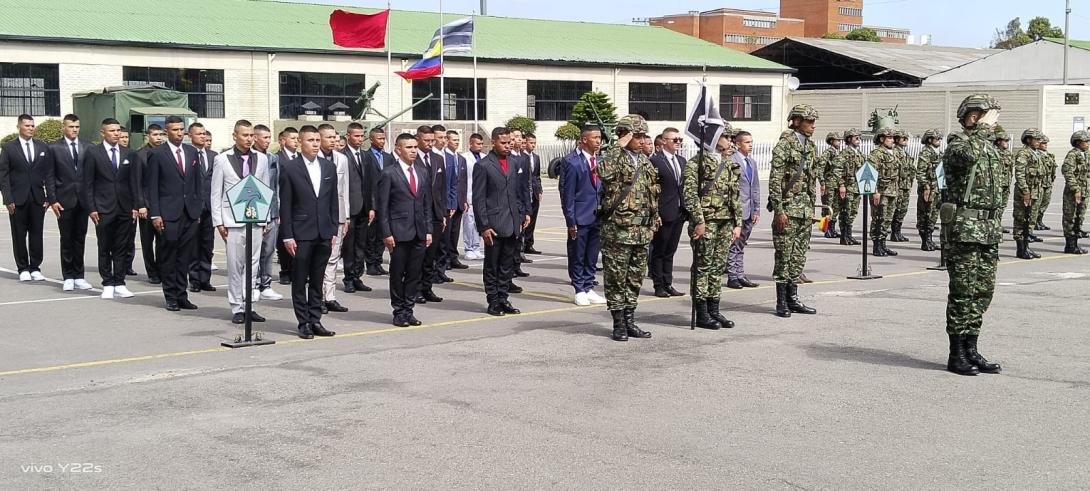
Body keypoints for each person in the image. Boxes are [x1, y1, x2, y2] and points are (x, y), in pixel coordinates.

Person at [942, 94, 1004, 376]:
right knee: (962, 293)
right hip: (965, 230)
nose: (993, 121)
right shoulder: (959, 144)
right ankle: (956, 354)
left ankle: (971, 348)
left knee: (982, 292)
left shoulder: (988, 148)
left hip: (988, 231)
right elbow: (967, 156)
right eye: (987, 115)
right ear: (972, 116)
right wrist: (982, 130)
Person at [598, 115, 659, 341]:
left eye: (644, 136)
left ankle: (630, 320)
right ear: (625, 134)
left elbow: (653, 194)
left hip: (641, 232)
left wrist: (653, 222)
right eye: (638, 136)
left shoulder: (645, 161)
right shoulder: (614, 157)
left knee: (635, 278)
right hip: (618, 231)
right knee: (616, 278)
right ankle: (618, 323)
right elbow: (603, 172)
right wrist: (618, 146)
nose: (642, 140)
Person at [279, 125, 340, 339]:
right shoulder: (290, 168)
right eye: (310, 140)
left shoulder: (328, 167)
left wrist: (333, 229)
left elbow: (333, 201)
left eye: (317, 140)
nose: (315, 144)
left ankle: (315, 319)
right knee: (300, 279)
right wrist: (288, 235)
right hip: (301, 232)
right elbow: (285, 204)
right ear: (300, 143)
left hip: (324, 231)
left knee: (317, 278)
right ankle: (303, 321)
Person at [210, 120, 272, 324]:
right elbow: (216, 192)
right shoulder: (222, 159)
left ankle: (250, 304)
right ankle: (237, 306)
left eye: (251, 135)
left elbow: (264, 188)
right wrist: (218, 221)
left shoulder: (261, 159)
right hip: (232, 220)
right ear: (235, 136)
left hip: (255, 217)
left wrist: (265, 218)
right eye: (244, 135)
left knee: (253, 264)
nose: (249, 139)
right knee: (235, 264)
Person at [684, 133, 743, 330]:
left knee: (717, 267)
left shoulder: (727, 163)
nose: (729, 140)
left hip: (725, 222)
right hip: (706, 222)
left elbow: (735, 194)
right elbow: (690, 195)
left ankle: (714, 309)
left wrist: (737, 223)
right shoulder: (696, 163)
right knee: (703, 266)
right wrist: (699, 221)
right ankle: (701, 312)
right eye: (725, 136)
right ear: (714, 138)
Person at [145, 115, 203, 311]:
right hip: (168, 213)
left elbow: (197, 183)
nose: (179, 133)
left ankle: (182, 294)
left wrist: (198, 209)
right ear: (166, 132)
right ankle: (170, 295)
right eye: (175, 130)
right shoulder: (158, 154)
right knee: (169, 255)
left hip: (189, 213)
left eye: (181, 129)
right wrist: (155, 214)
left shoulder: (191, 152)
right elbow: (151, 186)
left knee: (185, 256)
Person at [472, 127, 530, 316]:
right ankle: (493, 301)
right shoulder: (484, 165)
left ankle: (504, 298)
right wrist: (484, 226)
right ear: (494, 142)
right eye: (503, 143)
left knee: (507, 265)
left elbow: (518, 192)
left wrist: (523, 213)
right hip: (494, 224)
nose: (507, 146)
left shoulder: (514, 162)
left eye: (509, 142)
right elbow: (479, 199)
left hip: (513, 222)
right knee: (492, 265)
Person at [769, 105, 820, 318]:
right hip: (788, 211)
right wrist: (779, 210)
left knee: (798, 257)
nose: (813, 125)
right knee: (784, 257)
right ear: (796, 121)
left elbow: (811, 179)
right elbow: (775, 180)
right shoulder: (784, 145)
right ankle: (782, 302)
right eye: (809, 121)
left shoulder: (810, 146)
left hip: (805, 211)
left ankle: (793, 299)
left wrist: (813, 209)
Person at [82, 118, 142, 299]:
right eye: (112, 131)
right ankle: (107, 282)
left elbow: (135, 182)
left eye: (118, 131)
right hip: (103, 208)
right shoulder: (93, 153)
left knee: (122, 247)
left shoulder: (129, 154)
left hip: (125, 208)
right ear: (103, 133)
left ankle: (120, 281)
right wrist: (91, 208)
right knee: (105, 246)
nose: (116, 134)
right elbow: (87, 183)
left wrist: (135, 206)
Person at [378, 133, 432, 327]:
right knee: (397, 272)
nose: (413, 151)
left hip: (418, 230)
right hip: (398, 231)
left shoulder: (422, 171)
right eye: (409, 147)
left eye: (415, 147)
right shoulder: (389, 173)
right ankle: (398, 310)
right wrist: (386, 233)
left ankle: (409, 309)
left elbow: (426, 203)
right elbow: (382, 207)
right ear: (398, 149)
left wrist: (428, 229)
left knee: (414, 273)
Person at [0, 114, 52, 282]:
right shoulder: (9, 148)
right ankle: (22, 267)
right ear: (19, 127)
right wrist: (8, 199)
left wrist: (48, 197)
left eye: (32, 125)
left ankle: (35, 267)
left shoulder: (42, 147)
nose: (31, 128)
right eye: (27, 125)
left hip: (38, 198)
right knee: (19, 234)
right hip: (18, 199)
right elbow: (4, 175)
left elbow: (49, 174)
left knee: (37, 234)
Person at [560, 125, 606, 306]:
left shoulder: (601, 161)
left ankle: (588, 285)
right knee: (577, 254)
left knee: (592, 254)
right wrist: (571, 221)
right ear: (584, 139)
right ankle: (579, 288)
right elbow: (567, 194)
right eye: (594, 137)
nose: (598, 141)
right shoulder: (571, 161)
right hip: (580, 216)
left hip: (597, 216)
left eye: (599, 137)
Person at [49, 114, 93, 290]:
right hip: (64, 200)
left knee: (80, 238)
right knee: (66, 238)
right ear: (64, 127)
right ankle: (68, 276)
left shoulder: (88, 147)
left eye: (77, 127)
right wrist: (52, 199)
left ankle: (79, 275)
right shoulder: (54, 148)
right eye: (71, 126)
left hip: (83, 200)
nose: (74, 130)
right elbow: (49, 175)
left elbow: (91, 176)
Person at [649, 127, 688, 298]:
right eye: (675, 140)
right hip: (663, 212)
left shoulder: (681, 160)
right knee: (659, 250)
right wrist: (654, 213)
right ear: (664, 141)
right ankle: (658, 285)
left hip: (679, 211)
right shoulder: (655, 161)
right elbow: (652, 189)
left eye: (680, 140)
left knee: (671, 250)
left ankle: (668, 283)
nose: (678, 142)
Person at [317, 124, 351, 313]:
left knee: (333, 257)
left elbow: (344, 189)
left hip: (337, 214)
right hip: (319, 215)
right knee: (320, 258)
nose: (333, 141)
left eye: (335, 138)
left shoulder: (341, 159)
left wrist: (346, 216)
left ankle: (330, 296)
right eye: (329, 137)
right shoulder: (313, 159)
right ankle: (317, 297)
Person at [340, 122, 376, 294]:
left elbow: (371, 183)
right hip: (349, 208)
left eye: (362, 136)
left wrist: (371, 207)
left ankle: (357, 276)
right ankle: (348, 278)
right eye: (356, 136)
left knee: (361, 244)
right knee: (349, 245)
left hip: (364, 208)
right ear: (348, 136)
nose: (360, 139)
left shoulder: (366, 157)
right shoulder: (341, 156)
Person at [252, 124, 284, 301]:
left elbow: (276, 186)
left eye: (268, 137)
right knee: (254, 251)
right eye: (264, 137)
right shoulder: (249, 158)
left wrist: (277, 211)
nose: (267, 141)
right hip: (255, 212)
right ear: (255, 138)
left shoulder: (273, 158)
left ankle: (266, 284)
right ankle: (254, 284)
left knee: (269, 250)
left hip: (272, 211)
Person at [414, 125, 445, 304]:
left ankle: (427, 287)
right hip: (418, 214)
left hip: (435, 213)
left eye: (432, 140)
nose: (430, 144)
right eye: (426, 141)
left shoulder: (437, 159)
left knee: (431, 255)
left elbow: (441, 187)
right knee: (419, 254)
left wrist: (444, 214)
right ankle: (416, 288)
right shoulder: (411, 158)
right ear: (417, 139)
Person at [726, 130, 761, 290]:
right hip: (736, 210)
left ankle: (740, 274)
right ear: (738, 144)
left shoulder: (751, 162)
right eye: (747, 142)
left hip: (749, 210)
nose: (751, 145)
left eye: (751, 142)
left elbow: (755, 188)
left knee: (741, 244)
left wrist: (757, 209)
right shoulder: (731, 160)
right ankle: (732, 276)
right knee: (733, 243)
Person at [188, 123, 218, 293]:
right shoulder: (188, 154)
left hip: (210, 206)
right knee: (193, 245)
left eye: (204, 134)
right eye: (199, 134)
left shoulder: (214, 156)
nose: (203, 137)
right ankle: (194, 279)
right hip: (194, 207)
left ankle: (205, 278)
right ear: (190, 136)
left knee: (207, 245)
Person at [363, 127, 395, 276]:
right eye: (379, 138)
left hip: (386, 201)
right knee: (371, 235)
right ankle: (370, 263)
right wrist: (370, 204)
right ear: (371, 139)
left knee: (383, 234)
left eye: (384, 138)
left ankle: (378, 261)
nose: (382, 141)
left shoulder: (389, 158)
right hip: (372, 201)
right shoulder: (366, 157)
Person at [136, 124, 166, 283]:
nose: (159, 138)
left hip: (163, 204)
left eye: (161, 134)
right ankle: (152, 272)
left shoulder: (165, 152)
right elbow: (137, 182)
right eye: (155, 134)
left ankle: (162, 269)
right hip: (146, 205)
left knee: (163, 241)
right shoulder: (141, 155)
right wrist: (140, 204)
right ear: (148, 136)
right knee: (147, 242)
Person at [1013, 128, 1045, 259]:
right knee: (1021, 220)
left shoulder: (1037, 153)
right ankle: (1021, 249)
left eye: (1039, 139)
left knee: (1031, 220)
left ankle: (1027, 246)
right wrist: (1025, 191)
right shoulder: (1023, 154)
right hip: (1025, 192)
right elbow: (1019, 174)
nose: (1039, 141)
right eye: (1036, 139)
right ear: (1028, 140)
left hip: (1036, 192)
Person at [869, 127, 900, 257]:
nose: (892, 140)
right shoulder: (876, 154)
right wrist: (875, 191)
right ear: (882, 139)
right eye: (889, 138)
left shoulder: (894, 152)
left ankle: (883, 244)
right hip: (881, 191)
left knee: (887, 219)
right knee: (878, 219)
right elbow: (871, 173)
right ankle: (877, 246)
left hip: (892, 191)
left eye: (893, 138)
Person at [275, 127, 300, 284]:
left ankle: (296, 270)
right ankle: (285, 271)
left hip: (298, 205)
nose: (296, 141)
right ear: (283, 141)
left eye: (298, 138)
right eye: (293, 138)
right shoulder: (276, 158)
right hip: (282, 203)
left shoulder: (300, 158)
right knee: (284, 238)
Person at [443, 130, 470, 270]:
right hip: (448, 202)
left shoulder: (461, 159)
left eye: (458, 140)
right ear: (447, 141)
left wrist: (464, 199)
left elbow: (463, 181)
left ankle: (454, 257)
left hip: (459, 201)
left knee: (455, 232)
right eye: (454, 140)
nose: (457, 142)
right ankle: (446, 258)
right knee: (446, 232)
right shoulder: (443, 157)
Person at [833, 128, 864, 245]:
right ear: (849, 139)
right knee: (845, 212)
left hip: (857, 187)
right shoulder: (845, 153)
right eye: (856, 138)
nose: (858, 140)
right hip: (848, 187)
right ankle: (844, 236)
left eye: (859, 138)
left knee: (853, 212)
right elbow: (837, 169)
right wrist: (841, 185)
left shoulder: (859, 154)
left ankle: (849, 235)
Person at [915, 129, 944, 251]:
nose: (939, 141)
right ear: (930, 140)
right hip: (929, 189)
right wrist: (925, 187)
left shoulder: (939, 152)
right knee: (925, 215)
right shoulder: (926, 153)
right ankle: (925, 241)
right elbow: (920, 172)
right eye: (936, 139)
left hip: (937, 188)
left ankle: (930, 239)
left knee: (933, 215)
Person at [1062, 131, 1090, 254]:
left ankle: (1076, 243)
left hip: (1085, 191)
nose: (1088, 143)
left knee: (1080, 217)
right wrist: (1075, 189)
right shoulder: (1072, 155)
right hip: (1073, 192)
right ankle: (1070, 245)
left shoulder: (1086, 154)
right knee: (1070, 217)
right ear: (1078, 142)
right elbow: (1068, 172)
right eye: (1086, 141)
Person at [462, 134, 486, 261]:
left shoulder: (484, 157)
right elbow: (463, 178)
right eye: (478, 144)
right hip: (469, 194)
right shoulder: (464, 158)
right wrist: (464, 197)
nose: (480, 146)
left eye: (482, 144)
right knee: (469, 223)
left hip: (481, 195)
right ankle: (469, 248)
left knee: (479, 223)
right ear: (471, 143)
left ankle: (476, 247)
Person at [889, 129, 914, 243]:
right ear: (897, 140)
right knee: (896, 209)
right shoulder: (895, 152)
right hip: (898, 185)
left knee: (902, 210)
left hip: (906, 185)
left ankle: (898, 232)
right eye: (904, 139)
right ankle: (894, 233)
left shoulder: (905, 153)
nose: (906, 141)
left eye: (906, 139)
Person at [816, 132, 842, 239]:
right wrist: (822, 183)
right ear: (831, 141)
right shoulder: (828, 153)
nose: (839, 142)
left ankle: (832, 229)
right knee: (828, 207)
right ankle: (826, 230)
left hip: (837, 184)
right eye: (837, 140)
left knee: (835, 207)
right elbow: (820, 168)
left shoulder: (838, 153)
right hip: (829, 184)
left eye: (839, 140)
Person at [522, 133, 544, 255]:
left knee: (533, 219)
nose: (533, 145)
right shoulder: (520, 157)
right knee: (525, 218)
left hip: (534, 192)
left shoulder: (536, 157)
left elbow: (537, 176)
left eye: (535, 143)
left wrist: (539, 190)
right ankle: (522, 243)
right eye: (531, 143)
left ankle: (529, 244)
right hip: (525, 192)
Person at [993, 127, 1015, 235]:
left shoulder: (1009, 154)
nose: (1007, 143)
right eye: (1005, 141)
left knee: (1002, 206)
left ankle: (998, 224)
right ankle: (994, 225)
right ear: (998, 141)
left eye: (1007, 141)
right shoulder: (994, 153)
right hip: (998, 184)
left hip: (1006, 184)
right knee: (996, 206)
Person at [1036, 135, 1057, 231]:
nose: (1045, 145)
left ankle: (1040, 220)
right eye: (1043, 143)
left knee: (1045, 203)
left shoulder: (1048, 155)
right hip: (1039, 183)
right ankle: (1035, 222)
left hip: (1047, 183)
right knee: (1037, 204)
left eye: (1046, 143)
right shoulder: (1037, 155)